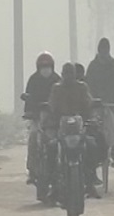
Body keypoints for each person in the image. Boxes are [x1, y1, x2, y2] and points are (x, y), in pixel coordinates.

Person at [49, 62, 99, 198]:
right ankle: (53, 185)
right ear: (62, 74)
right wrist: (52, 120)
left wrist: (91, 118)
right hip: (62, 129)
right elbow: (52, 107)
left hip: (79, 129)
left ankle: (90, 182)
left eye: (71, 73)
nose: (68, 76)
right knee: (51, 148)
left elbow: (89, 105)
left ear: (75, 75)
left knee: (92, 145)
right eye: (66, 73)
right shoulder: (56, 89)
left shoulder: (82, 88)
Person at [85, 37, 114, 170]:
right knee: (93, 128)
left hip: (111, 102)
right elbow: (87, 85)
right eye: (102, 50)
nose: (104, 52)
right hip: (96, 103)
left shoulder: (113, 64)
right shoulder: (92, 66)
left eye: (106, 50)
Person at [23, 51, 60, 185]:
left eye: (48, 66)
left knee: (59, 142)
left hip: (53, 120)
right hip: (37, 118)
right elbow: (27, 100)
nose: (45, 69)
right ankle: (32, 171)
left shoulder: (57, 80)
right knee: (33, 139)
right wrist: (28, 112)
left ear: (52, 66)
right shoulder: (33, 80)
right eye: (43, 66)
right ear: (38, 67)